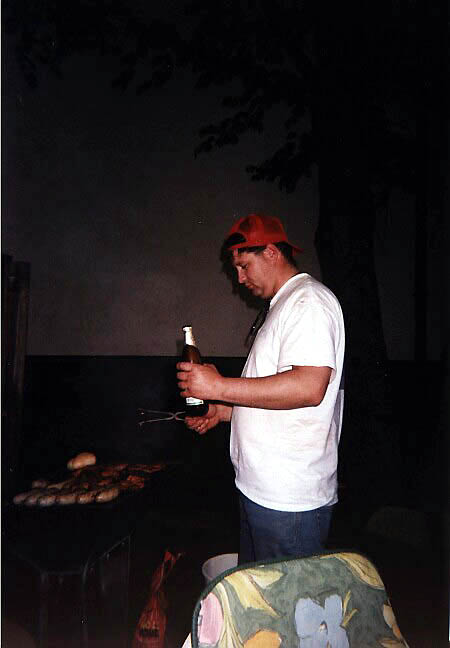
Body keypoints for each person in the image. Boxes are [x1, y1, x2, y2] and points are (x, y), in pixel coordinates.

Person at [177, 213, 345, 563]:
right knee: (261, 593)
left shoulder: (308, 302)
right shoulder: (283, 305)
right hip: (263, 493)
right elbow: (279, 395)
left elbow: (309, 387)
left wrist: (219, 386)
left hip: (289, 502)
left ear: (270, 252)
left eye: (244, 266)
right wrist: (225, 411)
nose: (239, 279)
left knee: (283, 598)